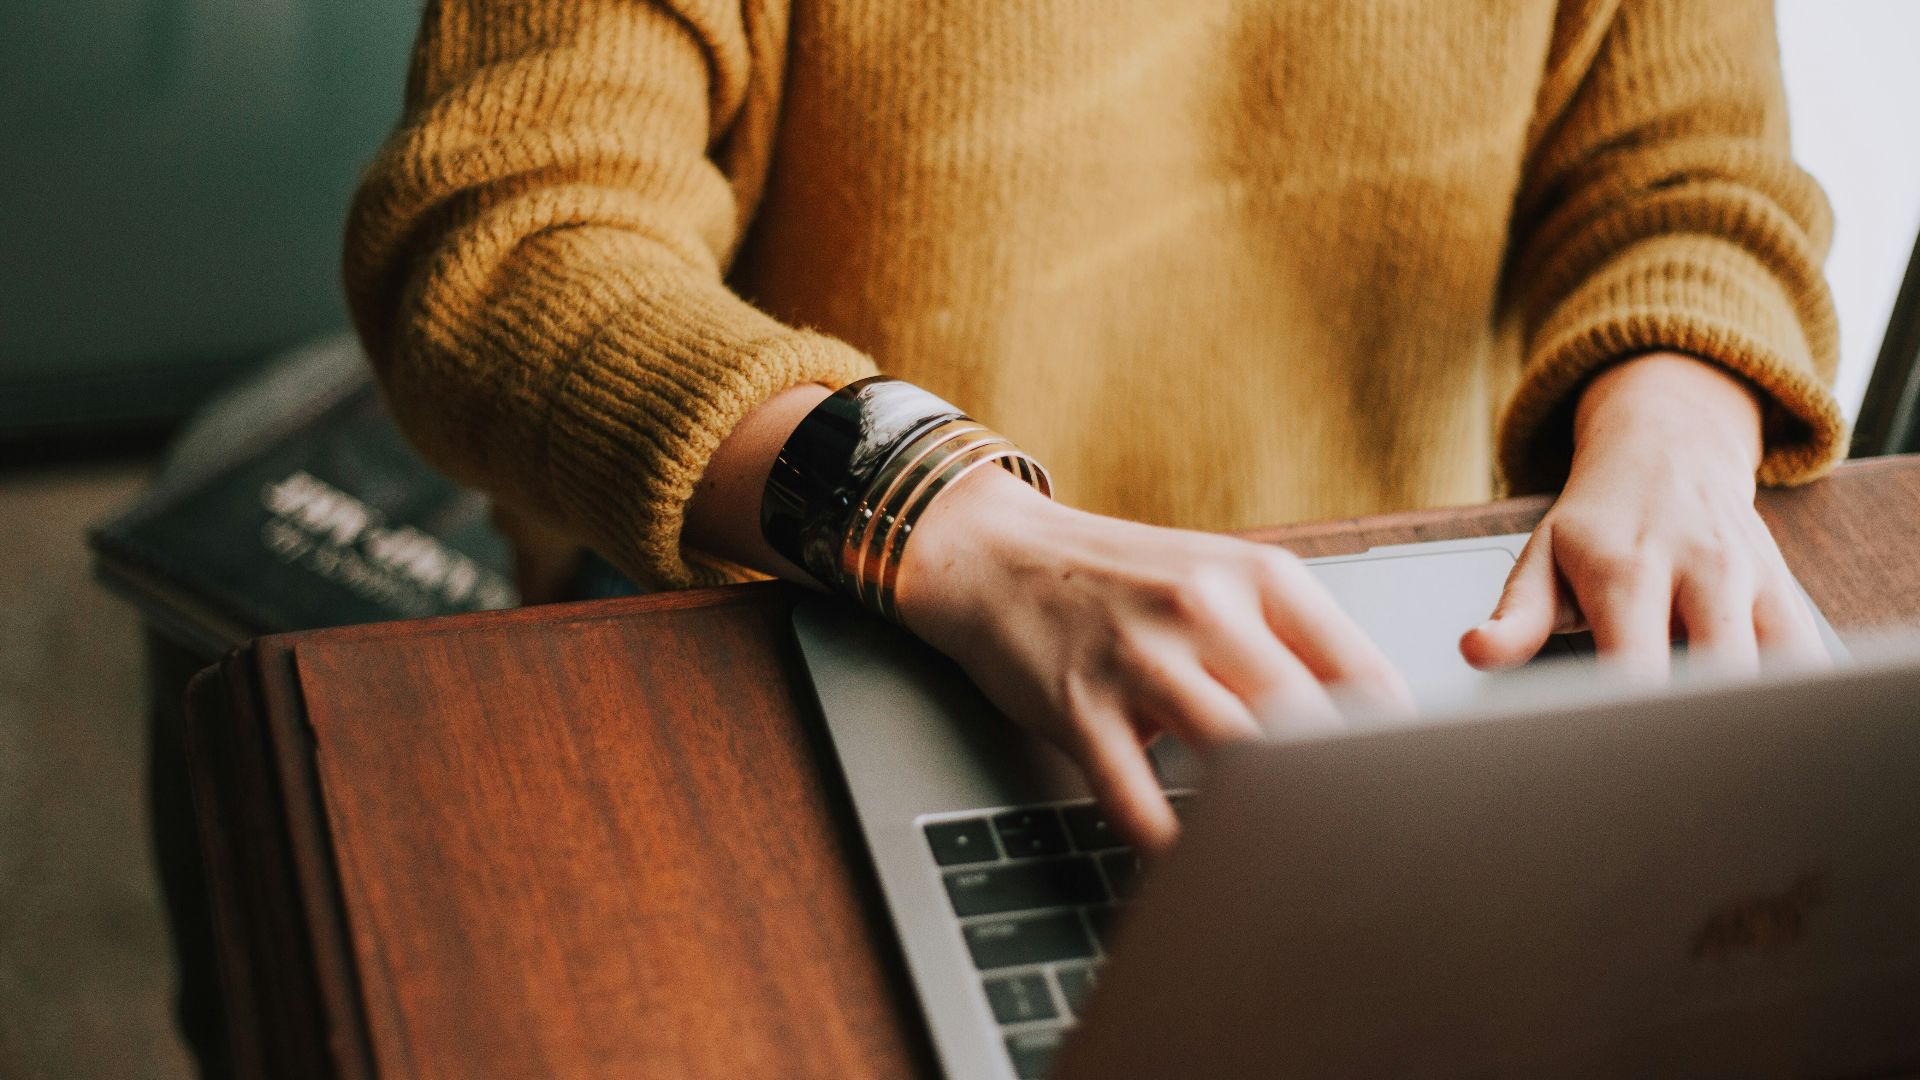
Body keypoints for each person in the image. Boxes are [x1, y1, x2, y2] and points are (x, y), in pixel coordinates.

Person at [344, 0, 1844, 854]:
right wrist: (950, 518)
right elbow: (506, 238)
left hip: (1376, 662)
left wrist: (1677, 428)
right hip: (816, 620)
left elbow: (1689, 171)